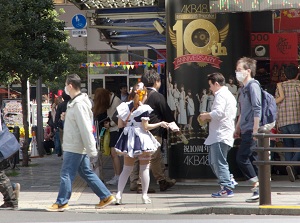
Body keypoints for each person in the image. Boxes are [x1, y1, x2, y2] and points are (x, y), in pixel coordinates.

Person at [47, 74, 115, 212]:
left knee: (66, 173)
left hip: (75, 146)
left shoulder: (78, 104)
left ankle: (62, 202)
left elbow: (85, 128)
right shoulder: (76, 103)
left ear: (70, 86)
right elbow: (80, 125)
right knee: (85, 172)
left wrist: (92, 150)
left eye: (66, 85)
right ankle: (105, 196)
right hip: (76, 145)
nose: (65, 88)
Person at [114, 82, 169, 204]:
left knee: (126, 169)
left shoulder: (123, 106)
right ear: (144, 95)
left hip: (128, 139)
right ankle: (144, 196)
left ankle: (119, 194)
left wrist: (130, 125)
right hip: (142, 139)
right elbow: (146, 127)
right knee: (144, 169)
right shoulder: (144, 108)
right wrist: (160, 123)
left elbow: (120, 125)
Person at [132, 69, 177, 192]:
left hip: (138, 131)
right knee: (151, 157)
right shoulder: (157, 96)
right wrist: (174, 126)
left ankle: (161, 180)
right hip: (153, 131)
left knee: (148, 157)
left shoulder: (139, 94)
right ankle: (142, 184)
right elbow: (166, 113)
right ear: (157, 82)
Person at [199, 73, 237, 197]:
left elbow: (218, 113)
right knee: (213, 160)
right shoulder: (228, 95)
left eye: (210, 85)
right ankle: (228, 180)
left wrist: (206, 115)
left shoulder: (221, 95)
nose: (210, 88)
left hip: (220, 134)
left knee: (218, 161)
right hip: (222, 133)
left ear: (216, 84)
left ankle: (227, 186)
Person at [234, 57, 261, 203]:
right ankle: (260, 190)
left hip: (252, 129)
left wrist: (256, 129)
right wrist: (237, 127)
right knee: (252, 159)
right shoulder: (243, 89)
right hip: (245, 128)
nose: (237, 73)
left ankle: (257, 185)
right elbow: (243, 110)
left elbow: (257, 108)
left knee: (242, 158)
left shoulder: (252, 86)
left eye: (239, 70)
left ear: (248, 71)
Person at [275, 64, 300, 182]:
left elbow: (276, 104)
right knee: (298, 146)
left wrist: (277, 123)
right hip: (297, 120)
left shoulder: (281, 86)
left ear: (285, 75)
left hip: (283, 122)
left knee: (288, 147)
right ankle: (293, 166)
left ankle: (292, 172)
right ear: (298, 74)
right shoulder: (299, 85)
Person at [93, 88, 122, 185]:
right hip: (113, 129)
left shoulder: (116, 101)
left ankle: (118, 176)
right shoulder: (111, 100)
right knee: (113, 154)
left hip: (116, 130)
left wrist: (110, 124)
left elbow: (120, 117)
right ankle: (116, 175)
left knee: (114, 153)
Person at [54, 91, 71, 157]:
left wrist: (55, 125)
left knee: (62, 140)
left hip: (62, 126)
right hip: (71, 126)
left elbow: (57, 116)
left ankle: (64, 154)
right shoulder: (71, 104)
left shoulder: (60, 105)